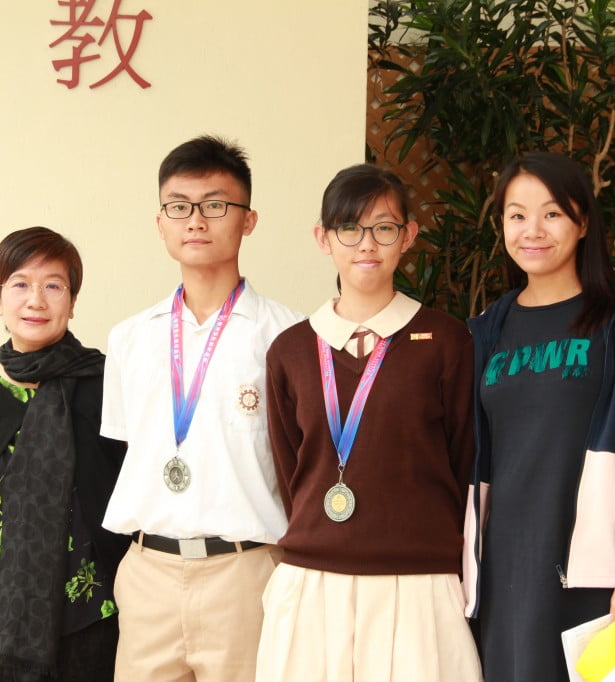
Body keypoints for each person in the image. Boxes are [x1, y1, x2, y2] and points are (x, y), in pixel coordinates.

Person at [464, 152, 615, 680]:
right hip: (504, 573)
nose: (532, 230)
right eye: (517, 215)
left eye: (552, 214)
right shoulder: (486, 330)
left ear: (583, 222)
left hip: (595, 575)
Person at [258, 164, 482, 682]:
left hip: (419, 582)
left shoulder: (447, 341)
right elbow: (292, 470)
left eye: (384, 228)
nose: (367, 244)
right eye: (349, 228)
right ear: (323, 238)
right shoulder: (290, 350)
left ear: (409, 236)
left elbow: (463, 459)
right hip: (313, 579)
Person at [100, 135, 301, 682]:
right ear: (159, 222)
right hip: (148, 573)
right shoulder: (130, 339)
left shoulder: (287, 336)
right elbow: (122, 452)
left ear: (248, 220)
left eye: (215, 205)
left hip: (245, 571)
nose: (195, 220)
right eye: (179, 206)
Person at [0, 226, 129, 681]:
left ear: (73, 300)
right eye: (20, 284)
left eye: (53, 286)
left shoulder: (108, 386)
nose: (36, 300)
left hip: (88, 613)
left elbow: (131, 487)